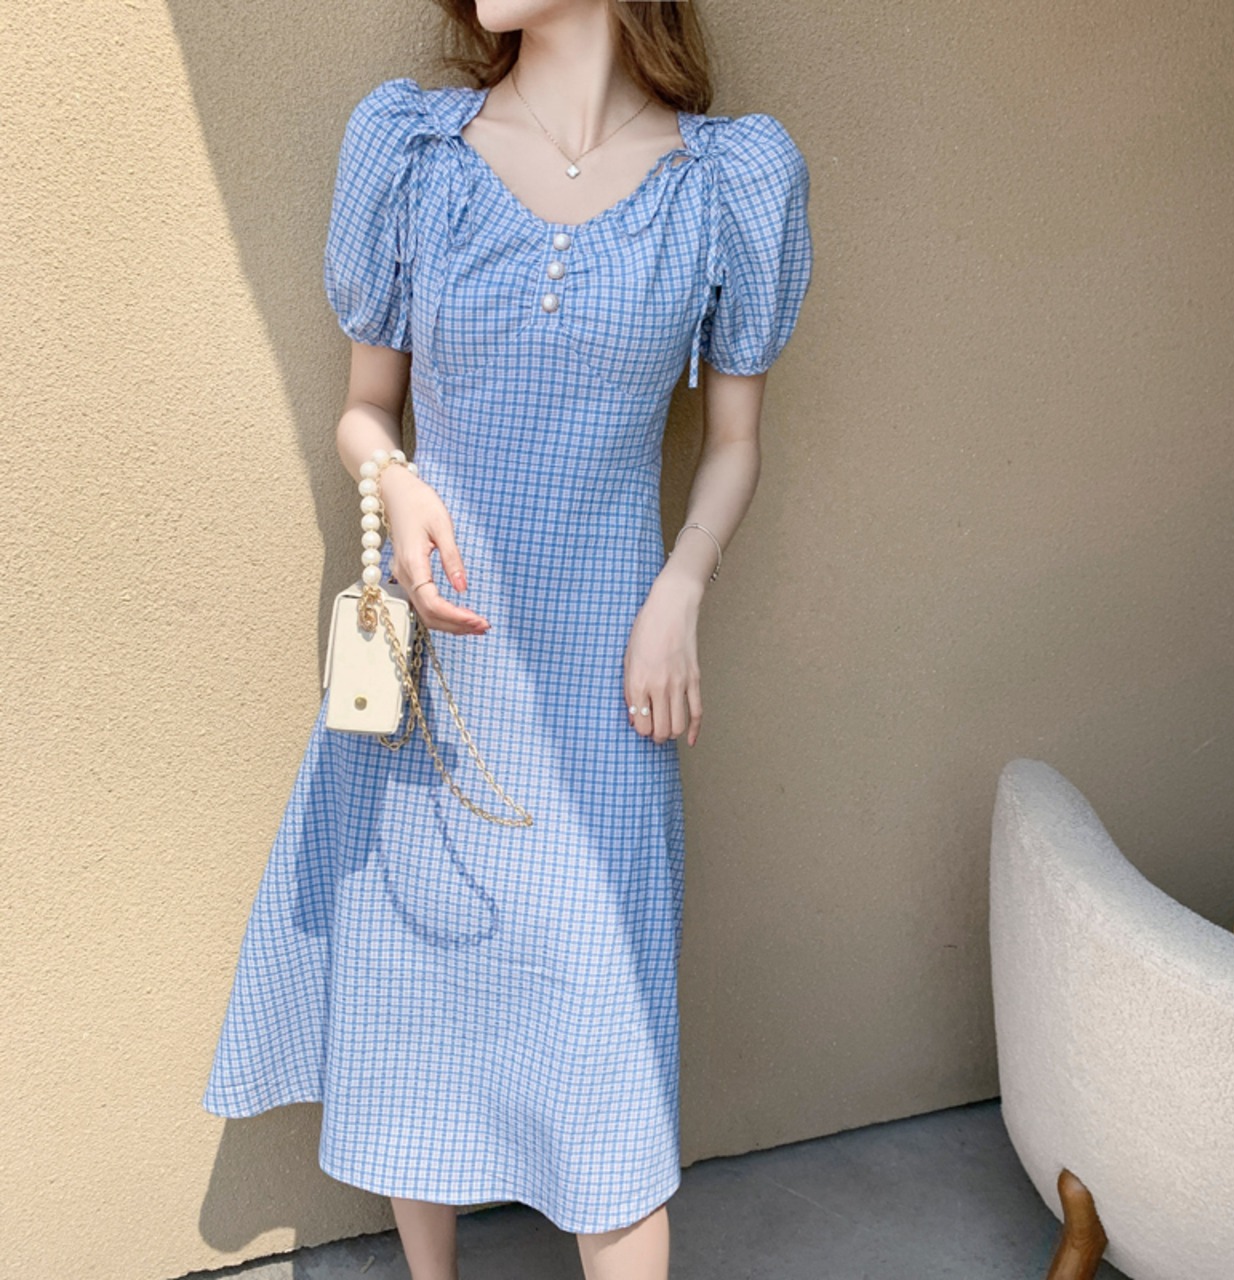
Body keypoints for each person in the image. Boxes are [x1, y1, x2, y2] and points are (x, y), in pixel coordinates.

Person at [201, 2, 813, 1277]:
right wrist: (396, 482)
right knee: (417, 999)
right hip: (436, 678)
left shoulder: (724, 182)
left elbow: (735, 440)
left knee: (607, 1051)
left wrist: (681, 587)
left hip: (607, 681)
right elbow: (364, 408)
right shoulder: (412, 152)